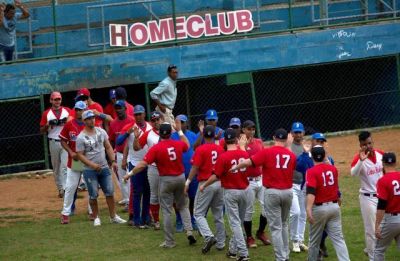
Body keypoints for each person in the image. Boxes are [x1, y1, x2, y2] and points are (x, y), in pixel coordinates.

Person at [124, 121, 196, 248]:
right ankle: (189, 231)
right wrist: (179, 131)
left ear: (160, 135)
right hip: (180, 178)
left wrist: (129, 174)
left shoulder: (156, 148)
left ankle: (170, 241)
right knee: (183, 206)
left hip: (166, 180)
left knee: (167, 211)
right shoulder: (177, 143)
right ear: (170, 133)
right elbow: (187, 144)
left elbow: (142, 164)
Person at [232, 128, 296, 261]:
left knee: (276, 228)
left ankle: (280, 258)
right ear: (286, 139)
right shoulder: (291, 155)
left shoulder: (267, 152)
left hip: (272, 192)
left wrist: (235, 167)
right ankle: (286, 256)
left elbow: (248, 162)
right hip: (288, 193)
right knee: (284, 225)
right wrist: (289, 146)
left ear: (274, 137)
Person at [202, 129, 250, 260]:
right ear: (236, 139)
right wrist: (243, 147)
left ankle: (243, 253)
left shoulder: (223, 156)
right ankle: (233, 250)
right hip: (245, 190)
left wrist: (204, 185)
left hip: (231, 192)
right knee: (238, 222)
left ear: (224, 141)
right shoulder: (244, 153)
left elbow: (215, 176)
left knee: (235, 223)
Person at [76, 110, 127, 226]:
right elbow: (79, 155)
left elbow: (108, 147)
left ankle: (113, 216)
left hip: (104, 167)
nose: (92, 120)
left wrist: (113, 161)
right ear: (84, 121)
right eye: (89, 118)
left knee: (109, 192)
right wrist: (92, 165)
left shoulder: (101, 131)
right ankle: (96, 217)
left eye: (93, 118)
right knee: (93, 194)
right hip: (89, 170)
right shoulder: (80, 137)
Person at [185, 125, 226, 254]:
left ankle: (208, 236)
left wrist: (187, 182)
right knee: (218, 214)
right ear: (214, 135)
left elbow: (194, 168)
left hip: (205, 183)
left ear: (203, 135)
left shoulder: (201, 149)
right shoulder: (220, 149)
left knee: (198, 213)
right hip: (219, 183)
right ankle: (221, 242)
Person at [306, 146, 350, 261]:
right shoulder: (333, 169)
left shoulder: (311, 172)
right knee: (339, 239)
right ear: (325, 156)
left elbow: (311, 192)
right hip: (334, 207)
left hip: (319, 209)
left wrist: (308, 208)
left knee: (314, 241)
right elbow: (335, 187)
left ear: (312, 157)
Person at [296, 132, 335, 259]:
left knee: (327, 223)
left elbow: (333, 179)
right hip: (308, 193)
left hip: (325, 194)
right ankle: (316, 250)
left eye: (322, 142)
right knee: (314, 223)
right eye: (317, 141)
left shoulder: (329, 159)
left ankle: (321, 243)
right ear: (312, 142)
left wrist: (337, 194)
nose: (319, 144)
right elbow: (298, 166)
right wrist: (304, 153)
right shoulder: (306, 157)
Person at [350, 131, 384, 260]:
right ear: (361, 145)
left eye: (370, 143)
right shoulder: (358, 158)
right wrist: (360, 160)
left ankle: (371, 249)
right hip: (367, 198)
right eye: (365, 144)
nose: (368, 146)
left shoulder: (381, 154)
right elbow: (353, 173)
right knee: (371, 231)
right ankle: (372, 257)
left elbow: (387, 171)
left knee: (385, 228)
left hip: (382, 197)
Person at [118, 105, 152, 227]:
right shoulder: (130, 127)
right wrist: (128, 133)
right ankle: (136, 220)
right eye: (136, 114)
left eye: (140, 114)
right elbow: (119, 142)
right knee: (137, 192)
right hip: (134, 163)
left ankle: (146, 217)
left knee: (148, 191)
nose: (138, 116)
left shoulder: (150, 126)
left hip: (148, 163)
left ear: (144, 114)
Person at [59, 101, 92, 224]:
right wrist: (70, 152)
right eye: (77, 109)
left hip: (88, 160)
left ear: (85, 110)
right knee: (71, 187)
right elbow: (62, 140)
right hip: (76, 161)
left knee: (91, 187)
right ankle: (65, 213)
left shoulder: (90, 125)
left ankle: (92, 211)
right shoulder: (69, 124)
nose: (79, 112)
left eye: (81, 110)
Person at [242, 120, 271, 248]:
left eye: (253, 128)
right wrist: (243, 147)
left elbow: (264, 159)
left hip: (260, 180)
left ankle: (260, 232)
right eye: (249, 129)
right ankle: (249, 237)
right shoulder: (240, 144)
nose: (252, 131)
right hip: (248, 182)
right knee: (249, 210)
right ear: (243, 130)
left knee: (267, 208)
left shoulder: (259, 142)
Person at [135, 111, 164, 230]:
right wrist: (136, 138)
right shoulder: (148, 134)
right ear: (151, 122)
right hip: (153, 167)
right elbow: (137, 148)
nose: (156, 122)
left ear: (161, 119)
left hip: (167, 167)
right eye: (153, 120)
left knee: (171, 194)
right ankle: (156, 221)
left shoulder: (169, 130)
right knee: (154, 195)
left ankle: (178, 219)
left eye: (158, 119)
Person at [40, 91, 70, 198]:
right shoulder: (47, 113)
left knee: (65, 166)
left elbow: (73, 121)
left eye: (59, 99)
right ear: (51, 100)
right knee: (56, 167)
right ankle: (60, 189)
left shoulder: (67, 110)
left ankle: (66, 188)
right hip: (53, 141)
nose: (57, 101)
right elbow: (42, 130)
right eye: (55, 99)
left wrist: (66, 121)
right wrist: (48, 125)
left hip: (65, 142)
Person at [171, 114, 198, 232]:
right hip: (178, 172)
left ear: (186, 123)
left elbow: (197, 150)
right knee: (178, 198)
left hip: (191, 172)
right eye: (178, 122)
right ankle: (179, 219)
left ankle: (192, 219)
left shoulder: (192, 135)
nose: (180, 125)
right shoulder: (172, 136)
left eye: (182, 122)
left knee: (193, 197)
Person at [108, 100, 135, 208]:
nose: (118, 110)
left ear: (125, 108)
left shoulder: (132, 120)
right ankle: (128, 201)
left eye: (120, 108)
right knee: (123, 178)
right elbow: (111, 140)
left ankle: (135, 199)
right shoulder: (113, 123)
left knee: (133, 177)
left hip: (132, 153)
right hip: (119, 153)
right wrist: (111, 155)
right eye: (116, 108)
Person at [374, 152, 400, 260]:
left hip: (391, 221)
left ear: (383, 163)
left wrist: (377, 225)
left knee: (378, 250)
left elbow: (381, 205)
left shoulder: (383, 180)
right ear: (395, 162)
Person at [289, 122, 309, 253]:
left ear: (303, 133)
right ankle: (294, 240)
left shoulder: (306, 147)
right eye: (295, 132)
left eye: (300, 132)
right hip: (291, 184)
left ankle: (300, 240)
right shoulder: (288, 147)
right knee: (295, 212)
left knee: (303, 213)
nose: (298, 134)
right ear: (291, 133)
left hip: (304, 184)